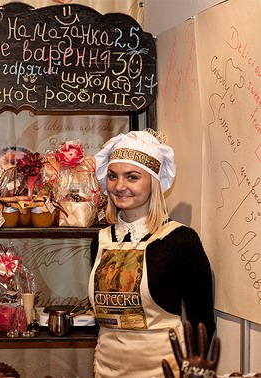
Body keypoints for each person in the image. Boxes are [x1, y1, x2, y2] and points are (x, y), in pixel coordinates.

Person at [88, 129, 215, 378]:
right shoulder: (100, 241)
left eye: (132, 177)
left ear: (154, 182)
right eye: (112, 176)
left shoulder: (179, 240)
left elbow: (202, 322)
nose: (119, 186)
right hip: (107, 368)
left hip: (165, 370)